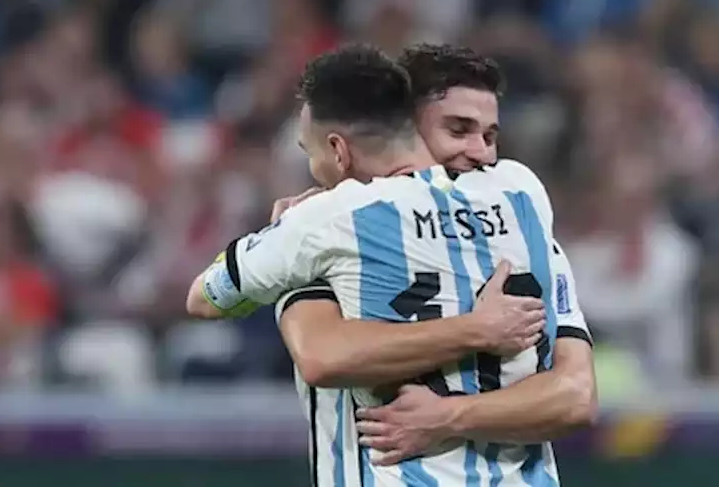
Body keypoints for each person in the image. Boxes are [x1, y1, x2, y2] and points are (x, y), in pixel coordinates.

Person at [187, 45, 593, 485]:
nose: (481, 155)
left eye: (490, 136)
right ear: (409, 124)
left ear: (339, 148)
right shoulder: (521, 200)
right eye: (459, 130)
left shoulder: (326, 223)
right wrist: (475, 331)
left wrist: (287, 254)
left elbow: (575, 396)